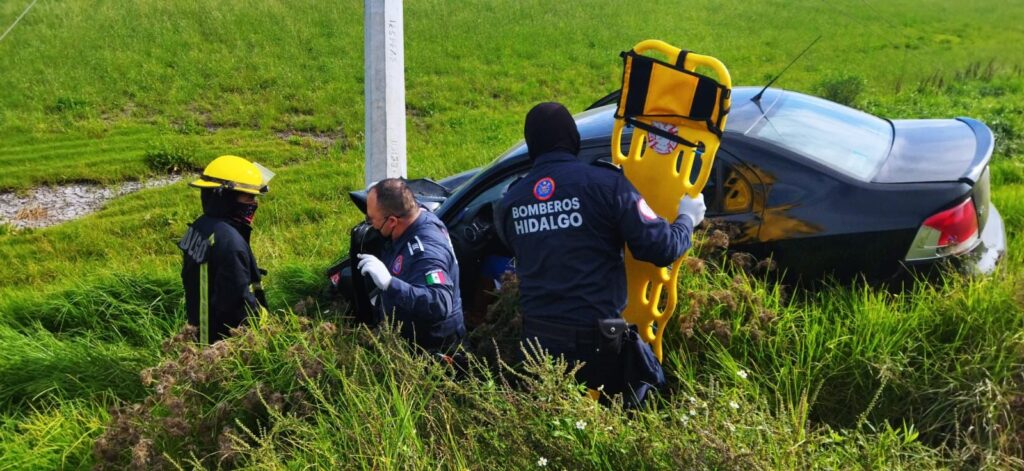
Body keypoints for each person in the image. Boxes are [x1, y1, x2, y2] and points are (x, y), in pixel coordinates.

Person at [497, 102, 706, 392]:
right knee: (635, 413)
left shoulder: (510, 201)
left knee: (554, 424)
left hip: (537, 343)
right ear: (574, 139)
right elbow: (661, 248)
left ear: (531, 147)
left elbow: (518, 248)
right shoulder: (606, 184)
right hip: (599, 343)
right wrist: (687, 218)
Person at [356, 178, 466, 352]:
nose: (370, 223)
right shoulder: (414, 212)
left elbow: (440, 304)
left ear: (392, 221)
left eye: (371, 219)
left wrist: (390, 284)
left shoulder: (426, 252)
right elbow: (397, 193)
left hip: (430, 347)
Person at [178, 155, 275, 345]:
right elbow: (237, 307)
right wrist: (266, 323)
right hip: (223, 344)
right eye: (249, 197)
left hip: (200, 332)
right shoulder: (230, 243)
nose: (254, 203)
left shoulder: (200, 226)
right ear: (227, 198)